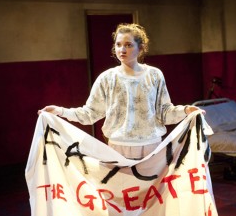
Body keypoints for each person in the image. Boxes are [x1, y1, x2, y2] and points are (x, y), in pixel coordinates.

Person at [38, 23, 202, 160]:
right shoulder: (107, 78)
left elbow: (164, 112)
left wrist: (186, 110)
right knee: (122, 195)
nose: (122, 49)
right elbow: (90, 113)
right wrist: (59, 111)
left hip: (152, 146)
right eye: (118, 44)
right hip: (118, 147)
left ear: (141, 48)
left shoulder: (154, 75)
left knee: (151, 196)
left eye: (128, 45)